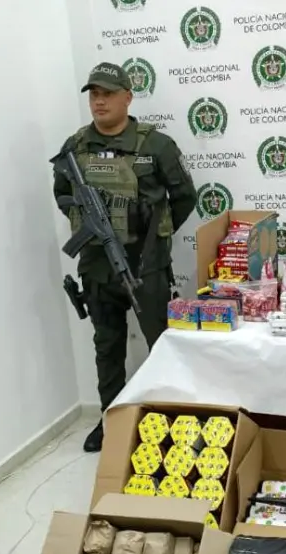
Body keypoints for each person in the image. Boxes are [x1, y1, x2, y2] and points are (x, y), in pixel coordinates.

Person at [52, 63, 197, 453]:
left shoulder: (157, 145)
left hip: (145, 267)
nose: (99, 101)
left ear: (127, 97)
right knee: (107, 347)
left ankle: (169, 422)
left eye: (108, 93)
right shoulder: (76, 147)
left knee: (161, 344)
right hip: (97, 268)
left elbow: (185, 197)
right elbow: (62, 193)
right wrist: (91, 223)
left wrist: (156, 236)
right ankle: (110, 421)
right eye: (93, 94)